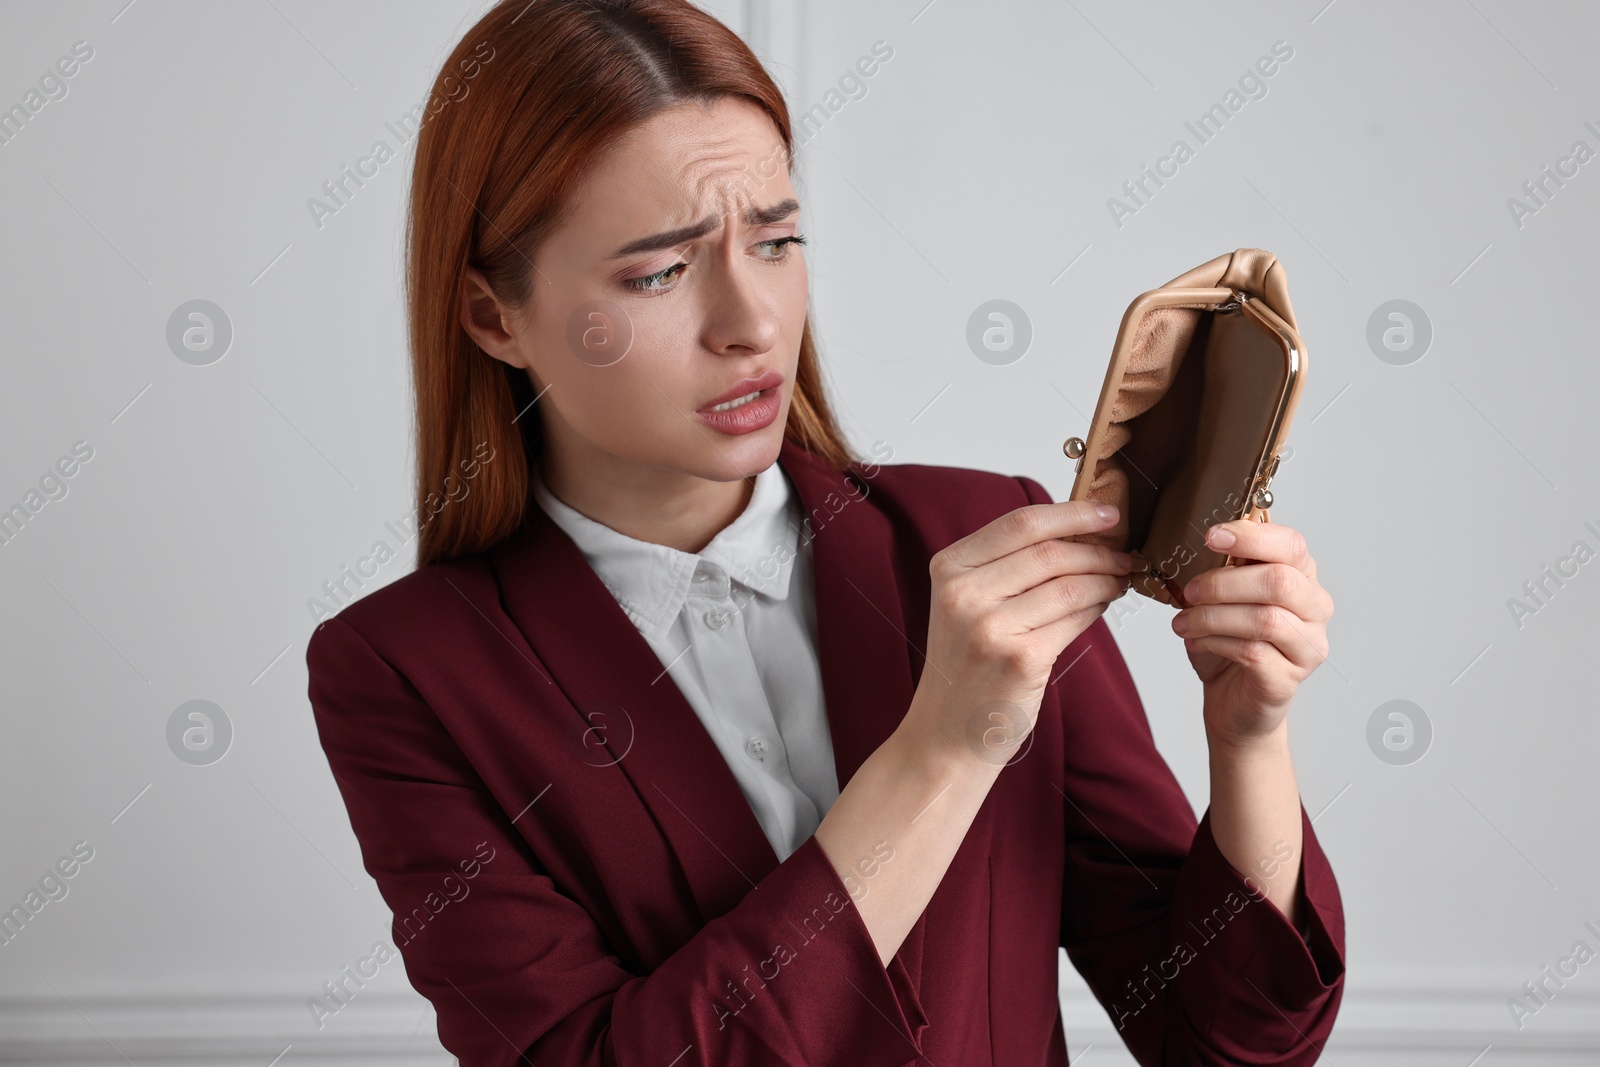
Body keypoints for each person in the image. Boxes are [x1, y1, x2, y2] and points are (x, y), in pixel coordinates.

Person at [304, 1, 1345, 1063]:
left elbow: (1228, 1040)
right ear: (492, 315)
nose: (750, 323)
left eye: (776, 239)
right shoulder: (403, 671)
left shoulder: (981, 542)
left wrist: (1247, 737)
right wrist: (940, 751)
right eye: (657, 272)